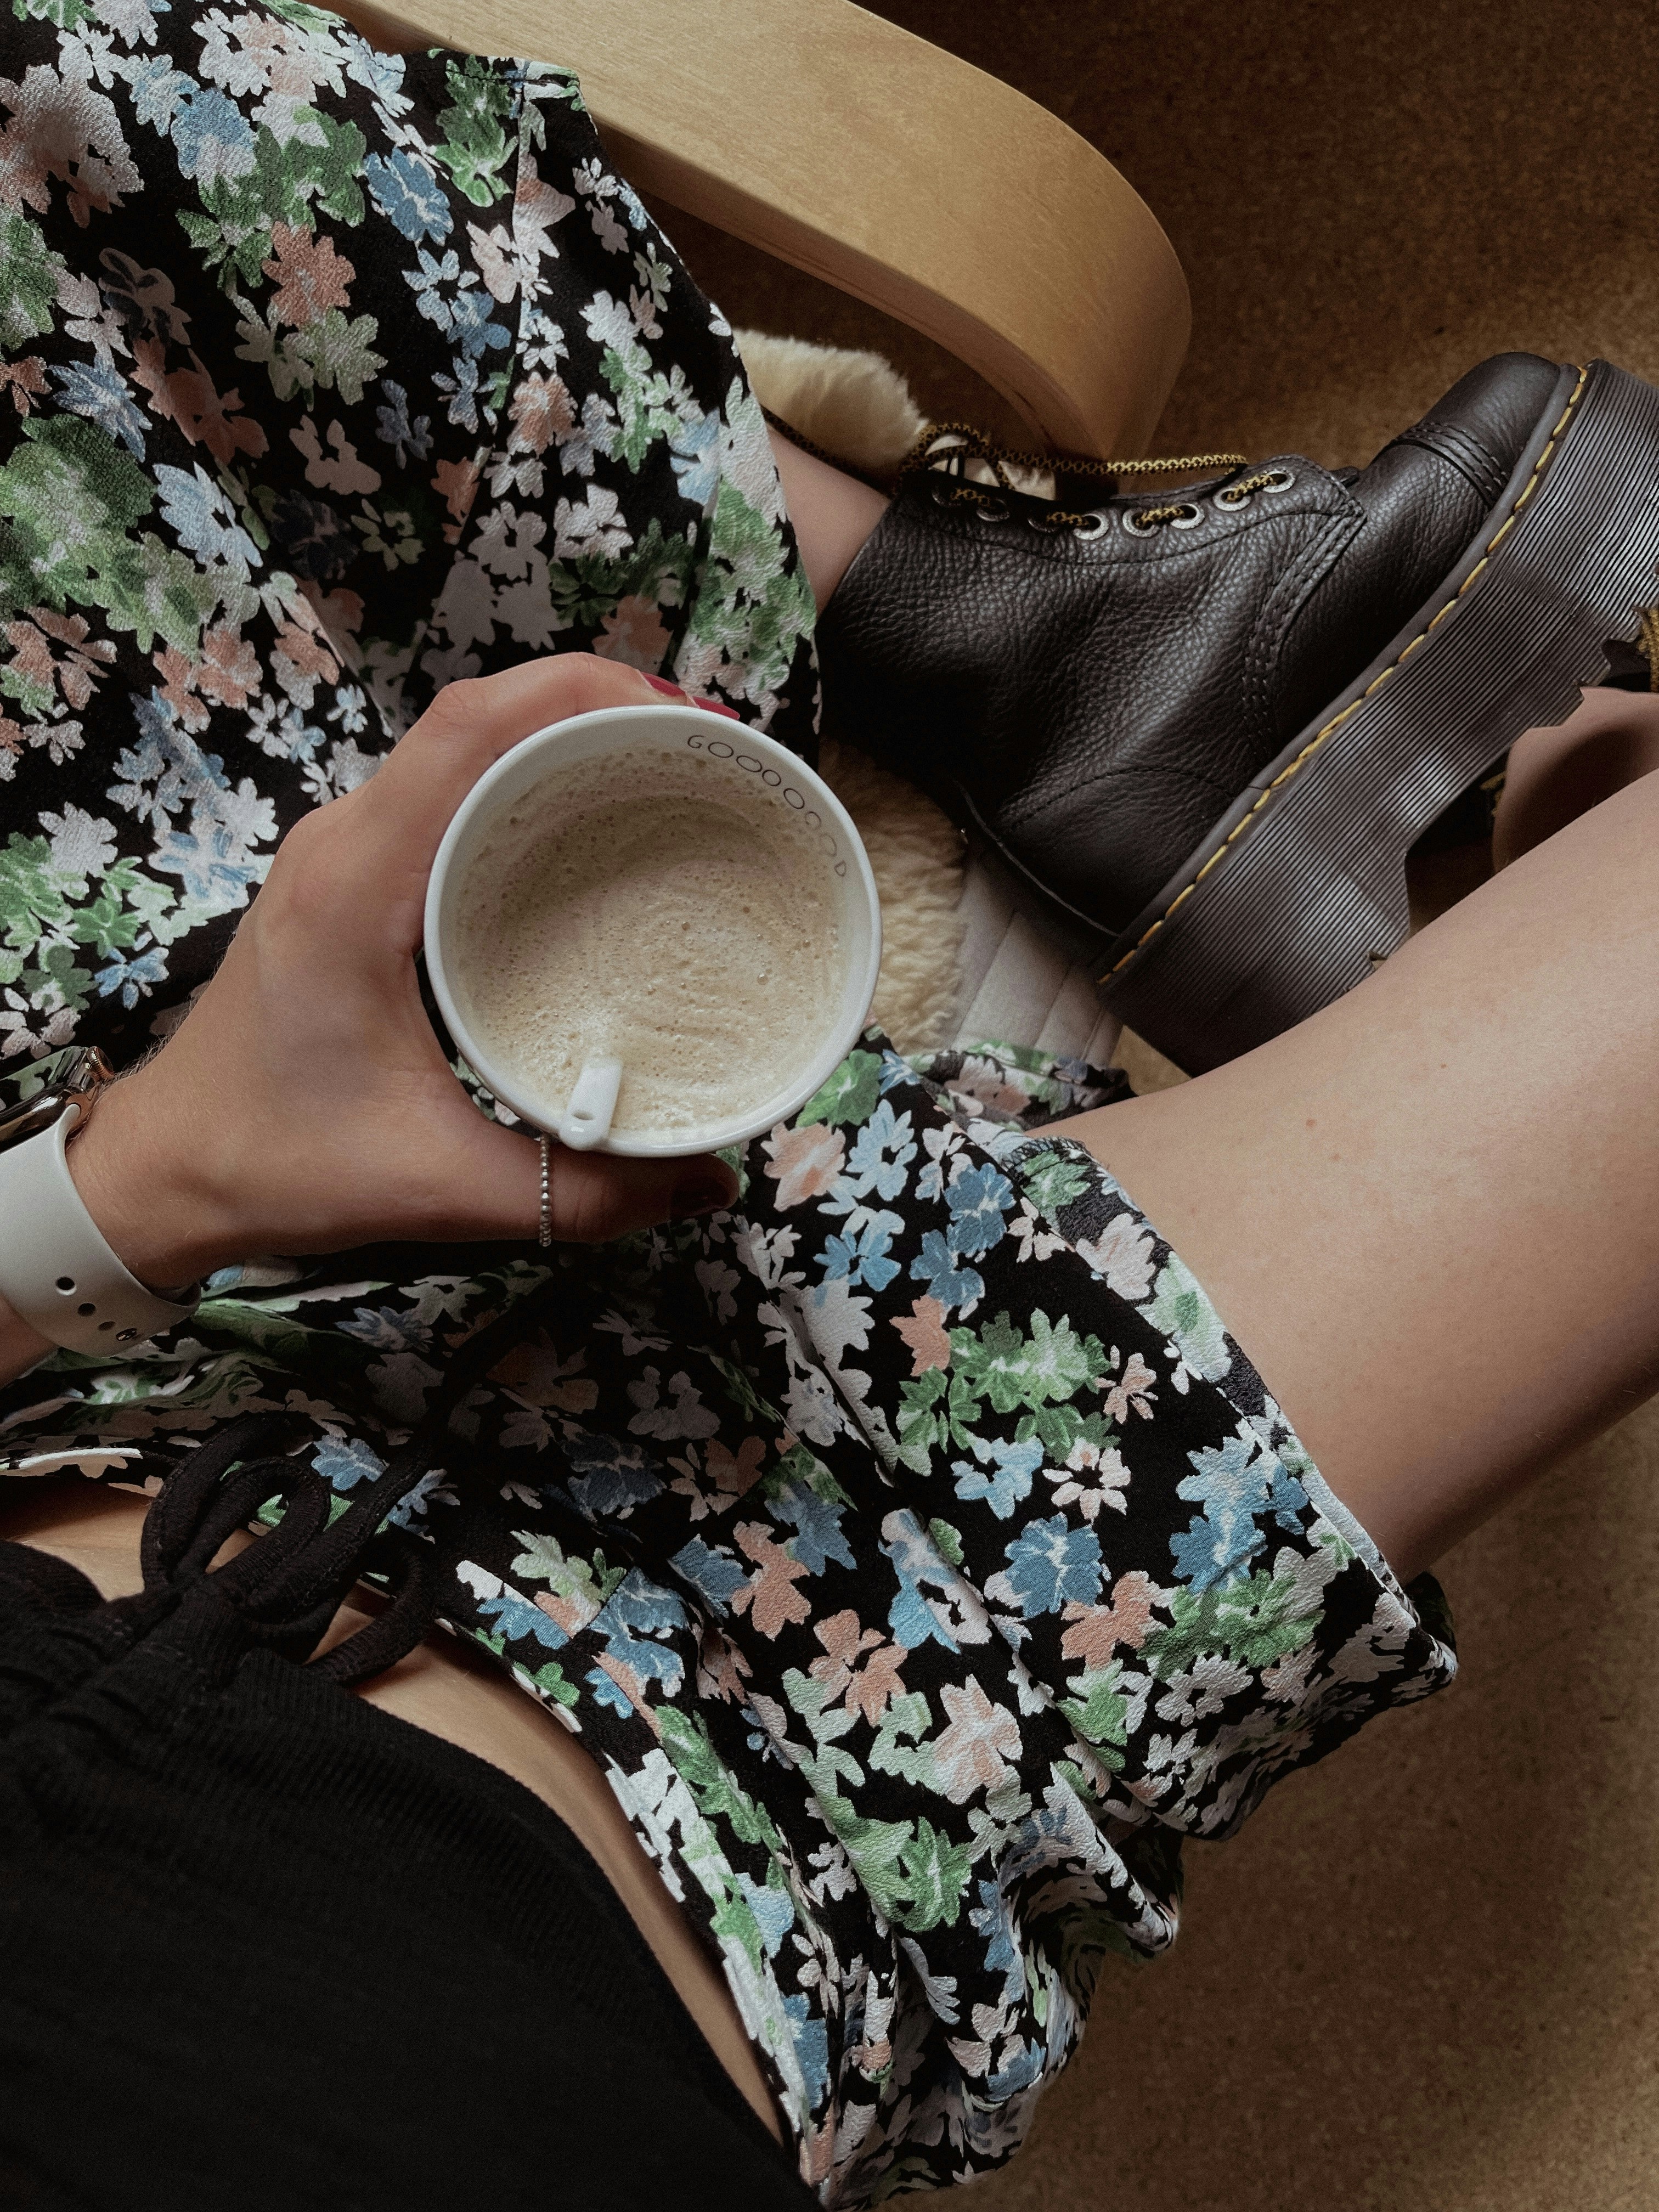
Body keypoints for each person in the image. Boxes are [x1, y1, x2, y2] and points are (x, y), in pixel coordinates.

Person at [2, 3, 1657, 2203]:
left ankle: (1006, 635)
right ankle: (1052, 757)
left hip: (119, 1333)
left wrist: (126, 1195)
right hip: (851, 1743)